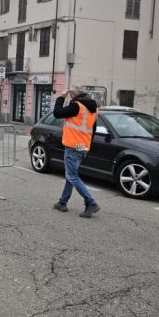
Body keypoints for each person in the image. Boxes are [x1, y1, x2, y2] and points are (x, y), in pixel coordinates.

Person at [52, 84, 101, 218]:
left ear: (73, 94)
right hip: (83, 146)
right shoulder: (93, 108)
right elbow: (93, 130)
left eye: (70, 94)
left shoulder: (76, 106)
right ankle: (62, 202)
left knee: (72, 176)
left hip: (73, 146)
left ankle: (91, 203)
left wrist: (61, 97)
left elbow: (57, 113)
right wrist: (86, 146)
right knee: (71, 174)